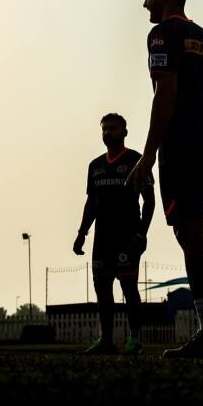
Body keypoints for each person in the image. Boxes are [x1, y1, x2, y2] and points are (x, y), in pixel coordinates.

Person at [126, 0, 203, 358]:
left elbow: (165, 92)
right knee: (192, 232)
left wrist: (149, 154)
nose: (145, 3)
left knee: (190, 235)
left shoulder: (163, 34)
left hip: (182, 147)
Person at [73, 113, 154, 356]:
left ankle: (134, 339)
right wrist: (81, 233)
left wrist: (142, 233)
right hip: (102, 238)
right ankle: (106, 340)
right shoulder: (95, 166)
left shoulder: (136, 160)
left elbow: (149, 201)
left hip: (127, 235)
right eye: (105, 129)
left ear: (124, 132)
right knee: (102, 289)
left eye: (113, 128)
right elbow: (92, 202)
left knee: (129, 287)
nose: (108, 132)